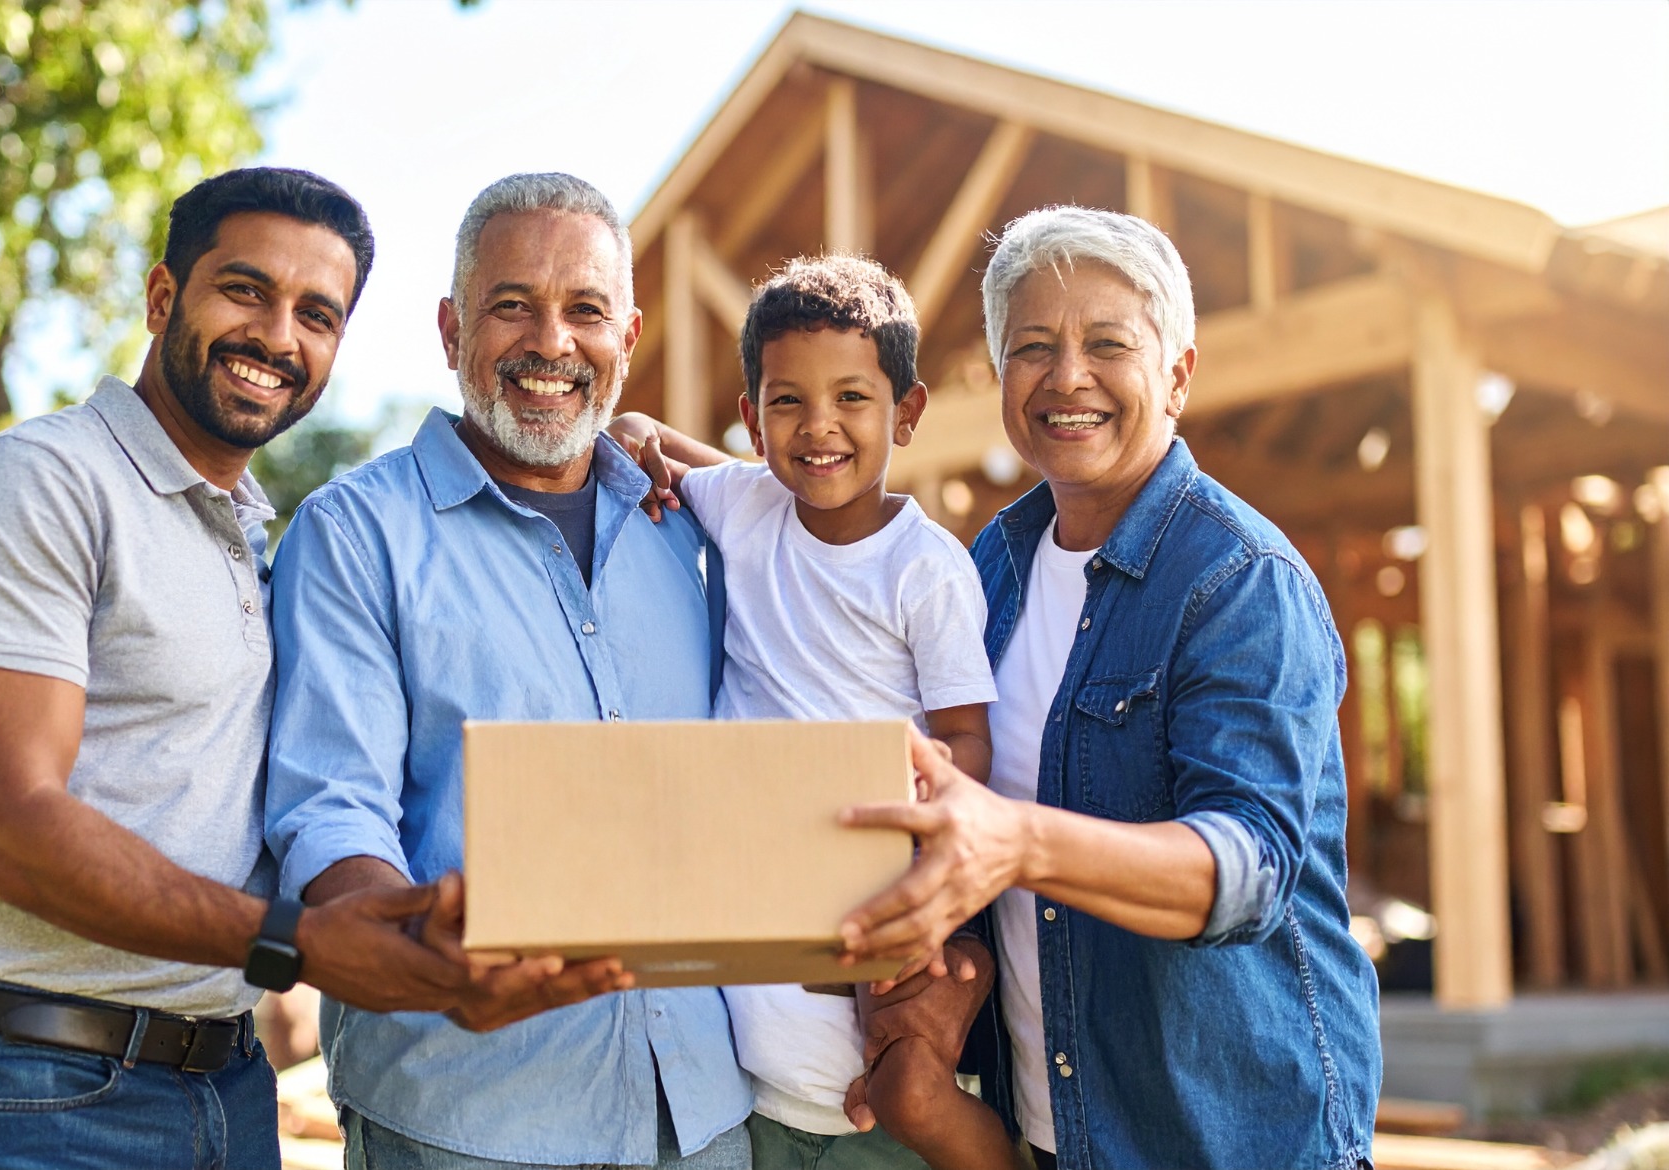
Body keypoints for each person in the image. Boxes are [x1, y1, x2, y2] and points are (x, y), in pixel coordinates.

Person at [0, 167, 474, 1170]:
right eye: (244, 290)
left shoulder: (250, 539)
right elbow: (3, 832)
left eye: (316, 315)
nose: (278, 336)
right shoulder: (39, 485)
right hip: (34, 1088)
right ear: (163, 298)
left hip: (221, 1088)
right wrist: (295, 943)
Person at [836, 205, 1381, 1170]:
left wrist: (1018, 845)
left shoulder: (1240, 581)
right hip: (1052, 1134)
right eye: (1032, 346)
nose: (1066, 376)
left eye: (1106, 343)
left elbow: (1247, 869)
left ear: (1176, 374)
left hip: (1228, 1143)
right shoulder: (991, 568)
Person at [265, 173, 752, 1169]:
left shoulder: (692, 538)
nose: (550, 342)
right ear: (450, 331)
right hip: (462, 1115)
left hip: (701, 1113)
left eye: (584, 310)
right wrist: (421, 957)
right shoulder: (355, 532)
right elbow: (328, 806)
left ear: (628, 335)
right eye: (511, 306)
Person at [606, 254, 1013, 1170]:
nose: (819, 427)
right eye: (787, 402)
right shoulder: (744, 503)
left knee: (907, 1086)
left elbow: (967, 739)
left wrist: (916, 844)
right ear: (752, 418)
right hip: (759, 954)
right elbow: (642, 432)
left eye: (852, 400)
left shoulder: (927, 569)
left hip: (883, 871)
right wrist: (636, 436)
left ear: (905, 414)